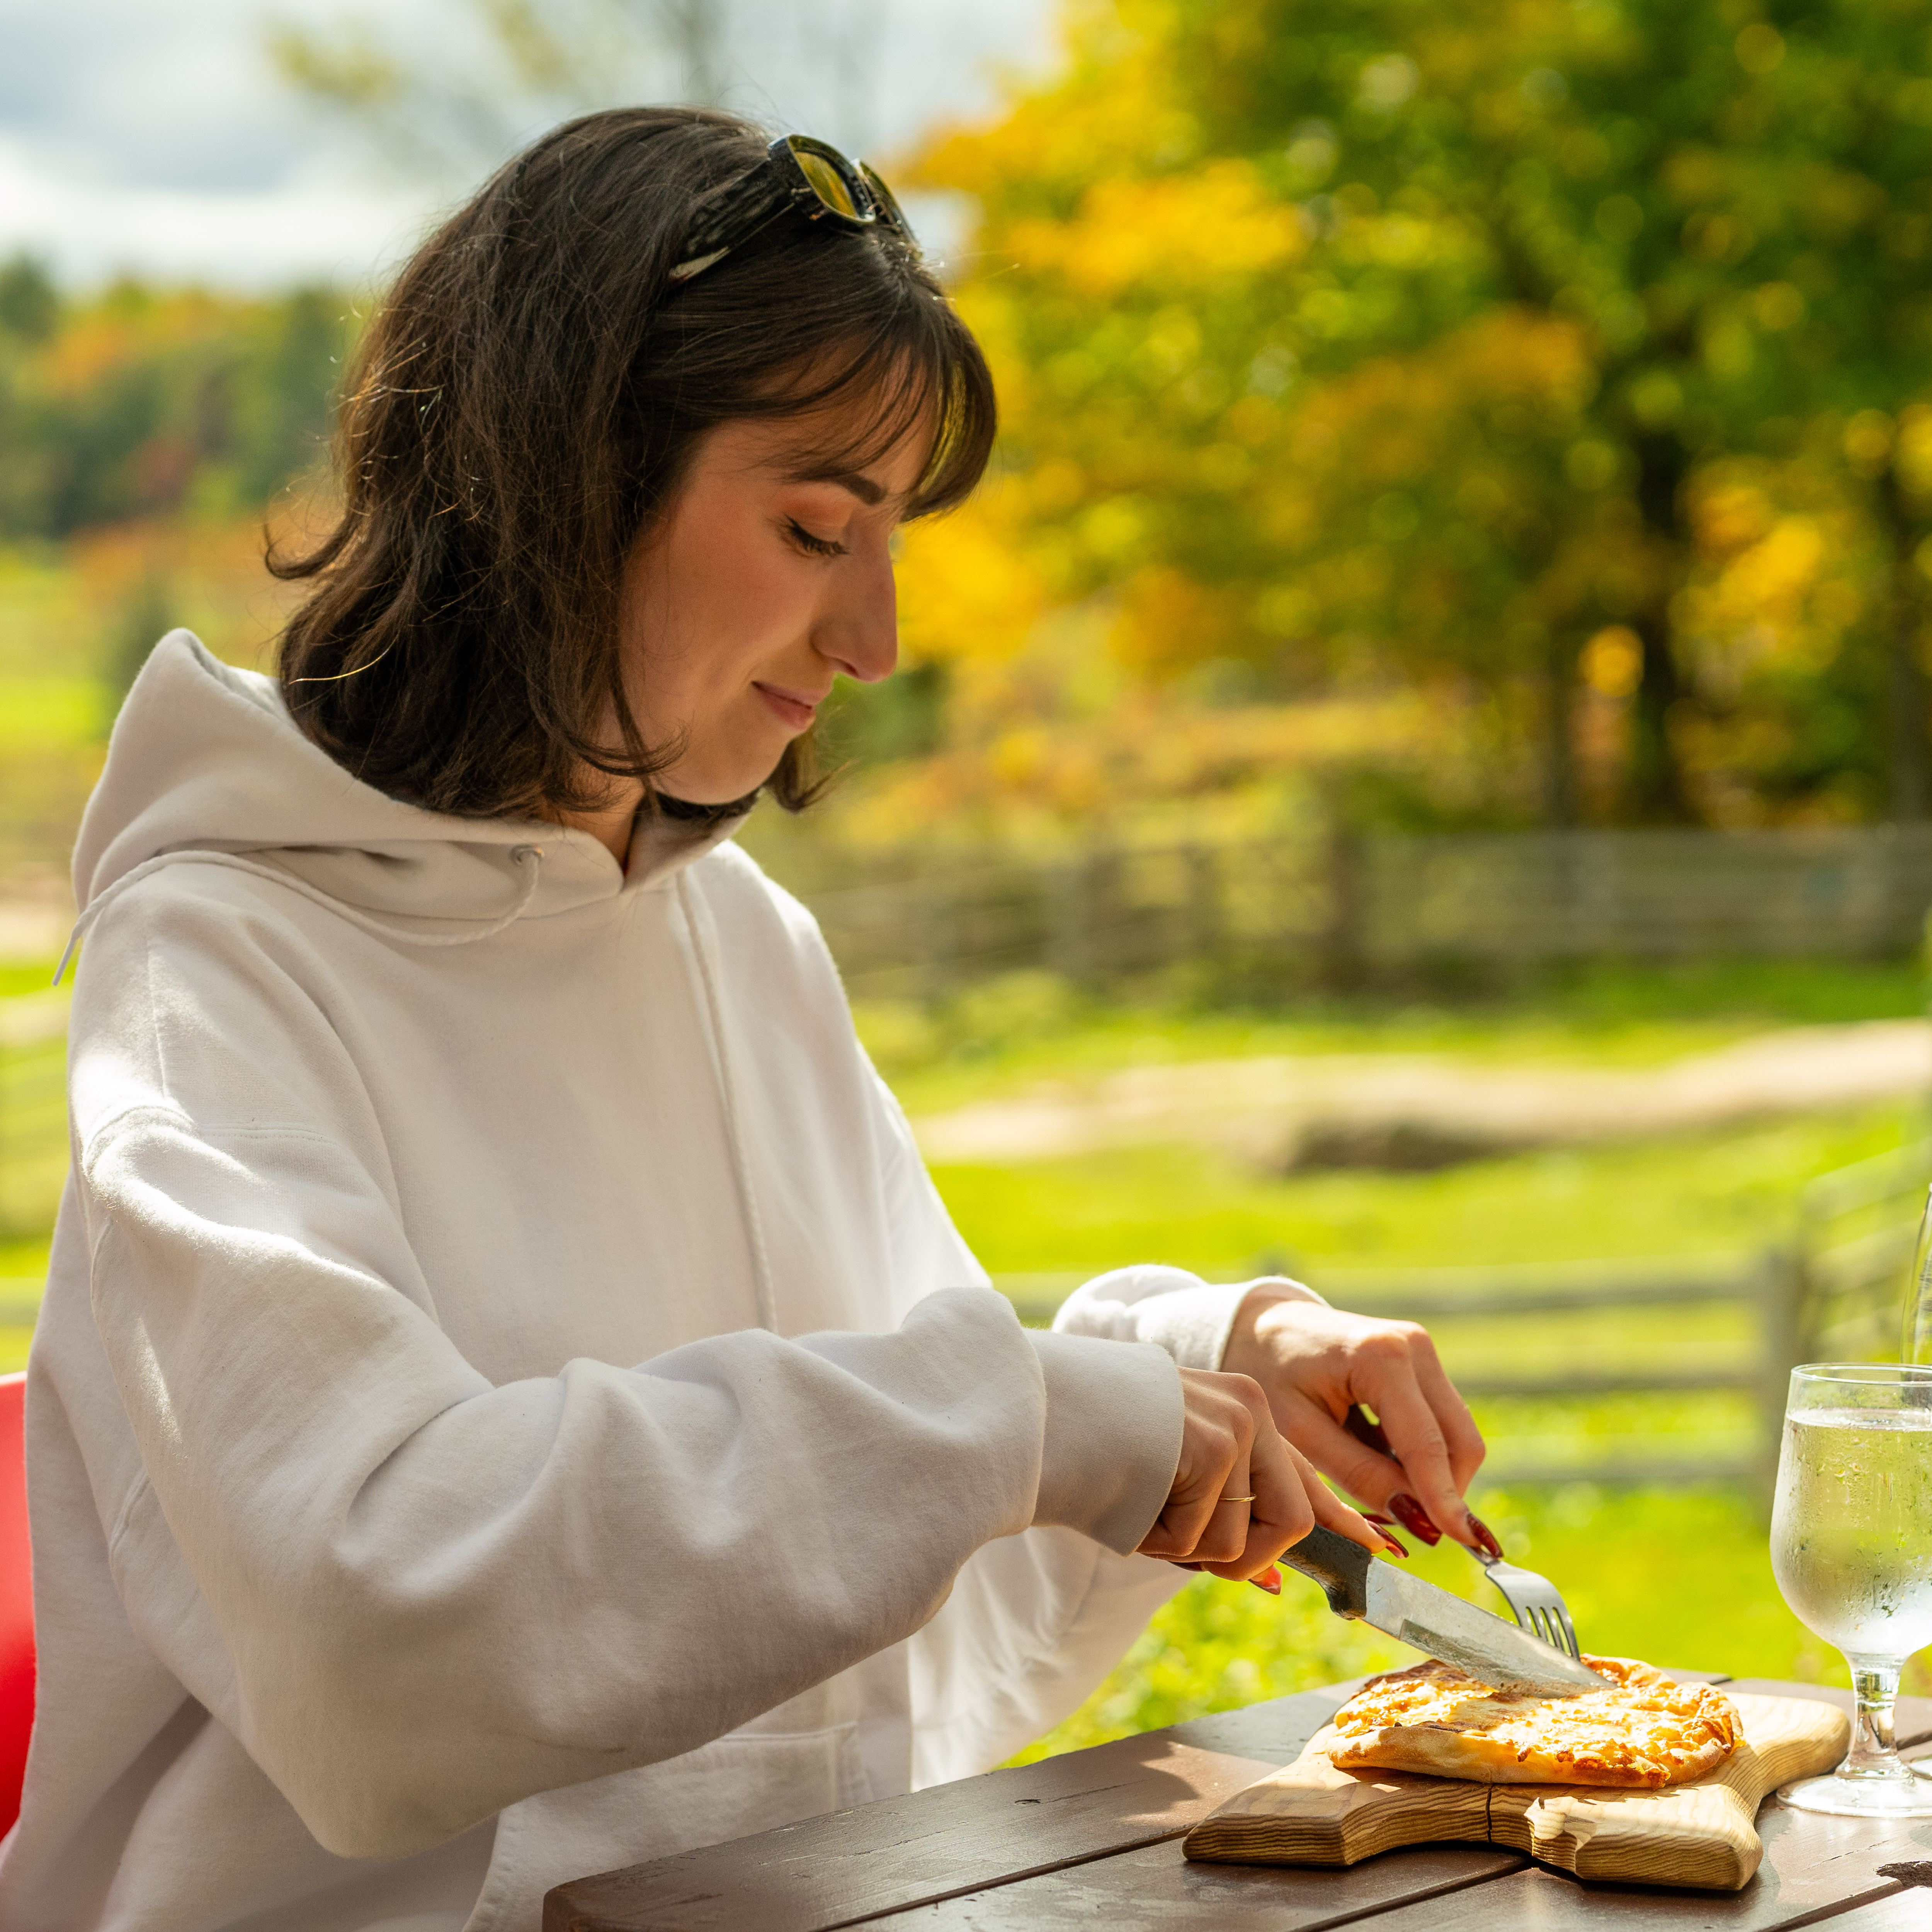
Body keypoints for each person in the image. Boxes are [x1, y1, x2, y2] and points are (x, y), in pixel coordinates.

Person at [0, 108, 1487, 1932]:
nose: (871, 634)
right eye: (811, 525)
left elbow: (895, 1615)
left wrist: (1192, 1370)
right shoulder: (224, 959)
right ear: (563, 480)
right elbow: (377, 1623)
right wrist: (1035, 1418)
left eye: (890, 538)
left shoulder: (736, 937)